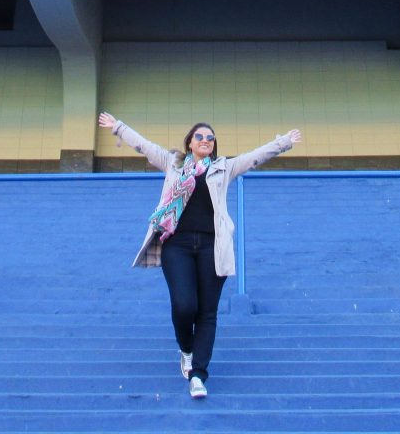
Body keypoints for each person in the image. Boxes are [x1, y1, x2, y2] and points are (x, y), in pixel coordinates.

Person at [97, 110, 302, 399]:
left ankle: (198, 374)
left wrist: (282, 143)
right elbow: (144, 145)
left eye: (210, 137)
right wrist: (118, 127)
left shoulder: (224, 168)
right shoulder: (173, 163)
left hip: (211, 246)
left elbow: (255, 157)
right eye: (200, 136)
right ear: (190, 143)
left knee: (206, 312)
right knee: (184, 305)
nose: (206, 140)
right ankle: (186, 349)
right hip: (176, 244)